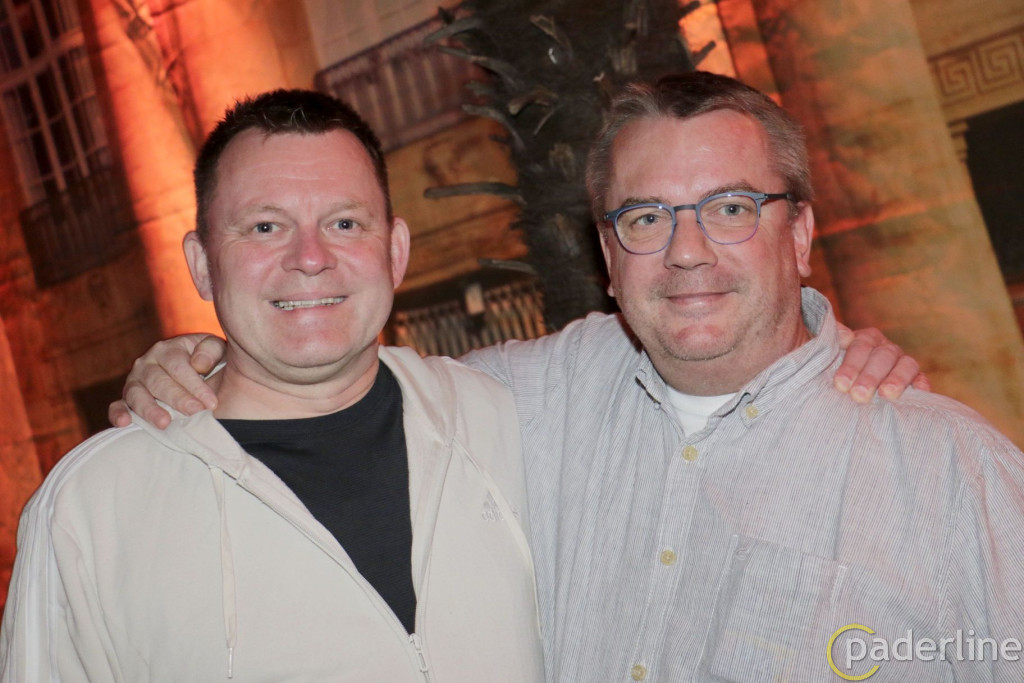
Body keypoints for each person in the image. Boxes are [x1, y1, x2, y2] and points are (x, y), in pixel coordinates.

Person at [106, 77, 934, 680]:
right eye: (647, 217)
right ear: (607, 253)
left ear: (800, 235)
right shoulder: (519, 397)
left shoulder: (938, 467)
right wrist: (210, 358)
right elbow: (326, 375)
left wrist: (830, 348)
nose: (688, 251)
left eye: (730, 209)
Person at [0, 90, 545, 682]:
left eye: (344, 223)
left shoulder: (507, 421)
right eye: (265, 227)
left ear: (394, 251)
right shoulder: (91, 509)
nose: (309, 258)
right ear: (203, 265)